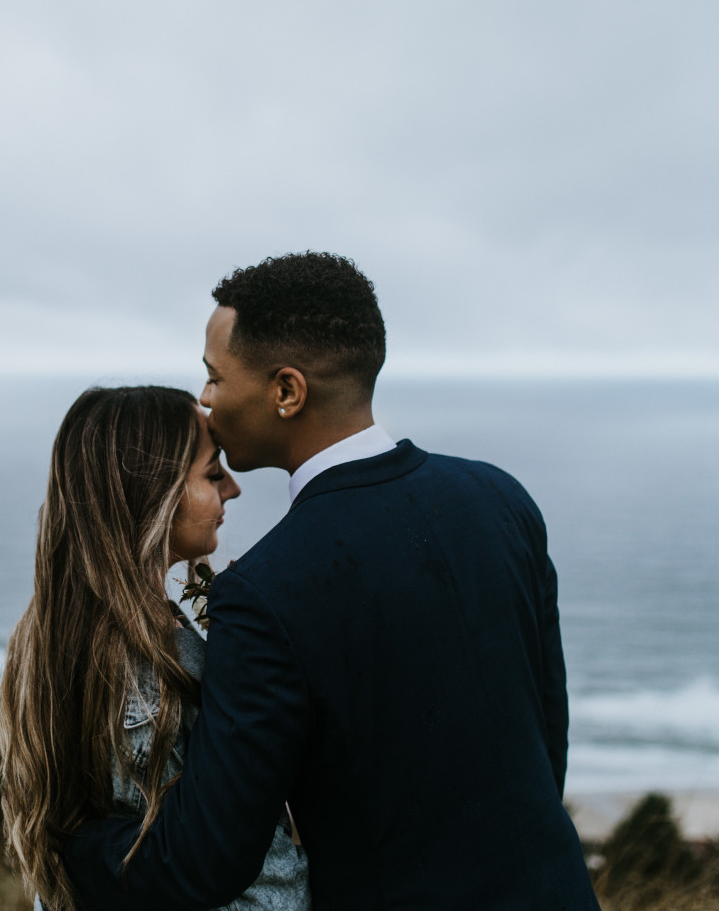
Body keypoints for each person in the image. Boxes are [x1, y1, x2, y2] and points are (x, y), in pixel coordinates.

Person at [64, 253, 599, 909]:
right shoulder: (503, 499)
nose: (204, 399)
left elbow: (203, 859)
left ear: (287, 391)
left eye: (214, 377)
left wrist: (71, 843)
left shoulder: (265, 593)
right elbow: (548, 741)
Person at [0, 385, 310, 911]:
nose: (232, 488)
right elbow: (212, 875)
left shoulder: (52, 636)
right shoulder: (148, 674)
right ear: (152, 494)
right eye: (212, 473)